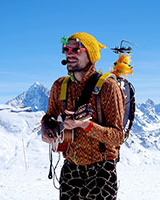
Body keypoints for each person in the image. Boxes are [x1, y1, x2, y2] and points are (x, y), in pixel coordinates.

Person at [41, 32, 125, 199]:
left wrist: (86, 125)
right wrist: (45, 128)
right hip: (70, 170)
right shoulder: (59, 86)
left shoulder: (109, 87)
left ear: (91, 54)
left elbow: (117, 137)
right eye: (66, 49)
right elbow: (49, 117)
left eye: (76, 49)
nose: (69, 54)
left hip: (102, 170)